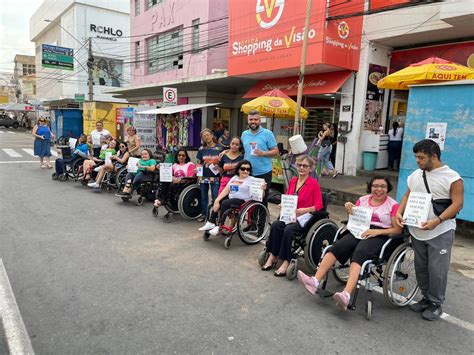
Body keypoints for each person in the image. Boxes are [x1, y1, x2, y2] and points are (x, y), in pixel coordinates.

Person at [298, 176, 402, 310]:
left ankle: (346, 294)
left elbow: (398, 229)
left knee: (360, 252)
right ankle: (315, 281)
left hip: (380, 234)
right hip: (360, 229)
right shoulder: (362, 200)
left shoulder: (393, 205)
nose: (379, 189)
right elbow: (354, 220)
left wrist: (376, 232)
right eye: (375, 185)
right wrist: (349, 210)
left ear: (388, 189)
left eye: (383, 186)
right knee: (337, 247)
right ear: (370, 187)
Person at [395, 139, 463, 321]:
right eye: (416, 157)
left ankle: (436, 303)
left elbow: (457, 204)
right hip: (417, 230)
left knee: (437, 270)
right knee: (421, 267)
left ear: (434, 156)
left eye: (421, 157)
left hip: (440, 231)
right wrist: (399, 212)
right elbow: (408, 195)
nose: (418, 161)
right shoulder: (416, 175)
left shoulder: (452, 177)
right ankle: (426, 298)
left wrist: (437, 220)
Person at [262, 155, 324, 276]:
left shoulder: (313, 183)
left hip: (303, 217)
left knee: (289, 230)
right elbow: (289, 198)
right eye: (299, 165)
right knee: (275, 225)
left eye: (305, 166)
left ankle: (286, 261)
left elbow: (319, 205)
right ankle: (273, 255)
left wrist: (304, 210)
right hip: (290, 215)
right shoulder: (293, 181)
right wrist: (283, 204)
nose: (301, 168)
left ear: (311, 169)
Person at [198, 160, 265, 236]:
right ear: (239, 169)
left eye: (248, 169)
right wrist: (217, 200)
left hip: (244, 201)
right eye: (243, 169)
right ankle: (211, 222)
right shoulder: (234, 178)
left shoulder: (252, 180)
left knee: (225, 202)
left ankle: (219, 226)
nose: (245, 171)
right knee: (217, 201)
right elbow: (226, 190)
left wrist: (262, 189)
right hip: (231, 199)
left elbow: (260, 196)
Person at [240, 110, 278, 205]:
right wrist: (226, 151)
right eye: (251, 119)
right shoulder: (244, 134)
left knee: (261, 199)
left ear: (260, 120)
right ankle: (252, 220)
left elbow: (276, 151)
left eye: (256, 119)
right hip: (247, 172)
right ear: (247, 120)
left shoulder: (267, 133)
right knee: (248, 199)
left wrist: (262, 153)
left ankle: (262, 220)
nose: (253, 121)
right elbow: (240, 150)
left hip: (263, 173)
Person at [196, 128, 225, 222]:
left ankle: (214, 216)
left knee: (215, 197)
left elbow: (225, 159)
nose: (206, 137)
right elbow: (199, 163)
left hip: (216, 177)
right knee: (203, 196)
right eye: (204, 136)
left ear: (212, 135)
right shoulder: (201, 149)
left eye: (207, 135)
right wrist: (198, 173)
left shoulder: (220, 148)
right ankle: (204, 214)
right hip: (203, 176)